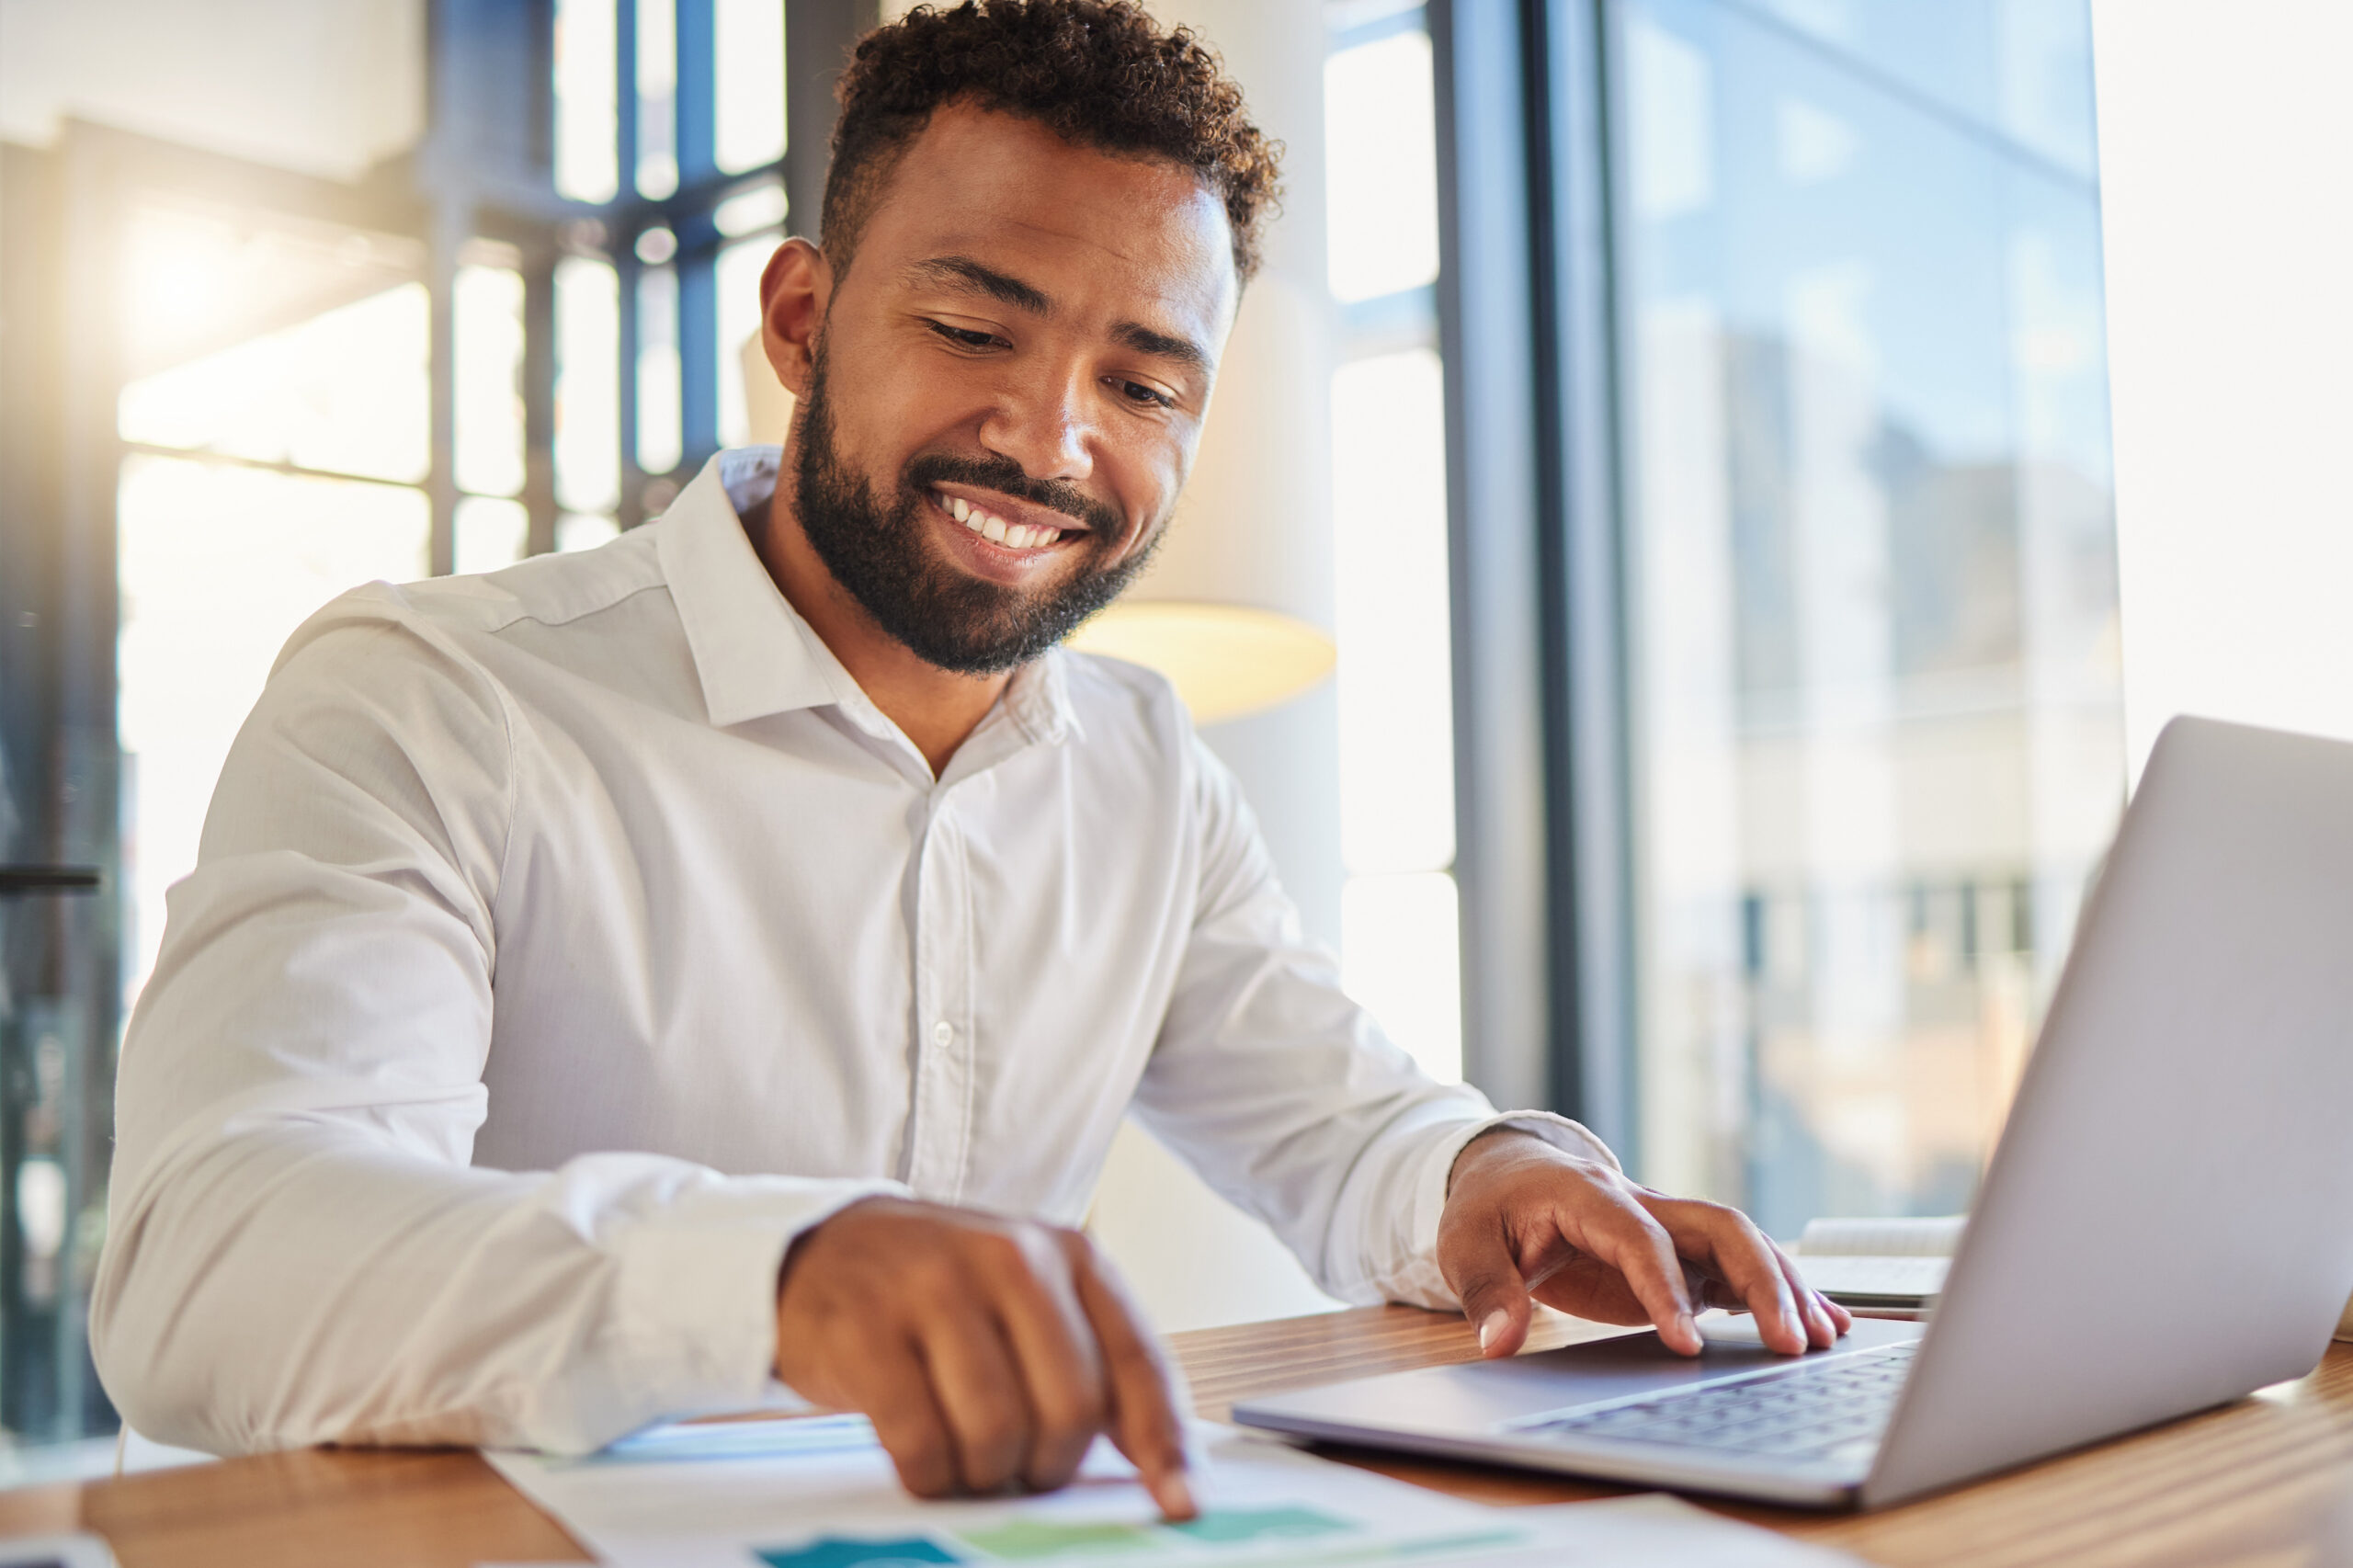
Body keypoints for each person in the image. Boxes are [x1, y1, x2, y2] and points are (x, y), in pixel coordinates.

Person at [91, 0, 1846, 1522]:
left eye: (1146, 384)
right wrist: (776, 1273)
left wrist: (1495, 1181)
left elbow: (1344, 1119)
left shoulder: (1144, 765)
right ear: (799, 321)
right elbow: (211, 1264)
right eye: (973, 327)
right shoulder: (430, 696)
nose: (1052, 437)